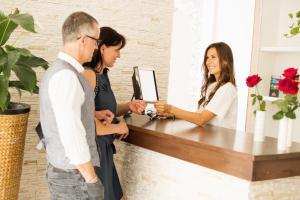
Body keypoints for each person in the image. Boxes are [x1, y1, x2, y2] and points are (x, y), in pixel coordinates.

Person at [40, 11, 107, 199]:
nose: (96, 47)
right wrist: (92, 179)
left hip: (66, 174)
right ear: (84, 39)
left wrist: (93, 113)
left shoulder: (59, 70)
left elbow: (64, 115)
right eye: (96, 41)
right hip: (75, 179)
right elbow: (71, 134)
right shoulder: (67, 76)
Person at [83, 27, 147, 200]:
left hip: (104, 150)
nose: (118, 55)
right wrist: (119, 126)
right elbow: (87, 120)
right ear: (102, 48)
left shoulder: (103, 76)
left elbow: (105, 110)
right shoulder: (89, 75)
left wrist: (129, 106)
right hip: (95, 152)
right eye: (117, 50)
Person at [155, 42, 237, 130]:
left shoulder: (228, 88)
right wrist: (170, 114)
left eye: (213, 57)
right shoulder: (212, 86)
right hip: (207, 137)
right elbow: (198, 115)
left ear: (225, 61)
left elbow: (201, 119)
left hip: (218, 142)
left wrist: (170, 108)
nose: (208, 62)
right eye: (207, 58)